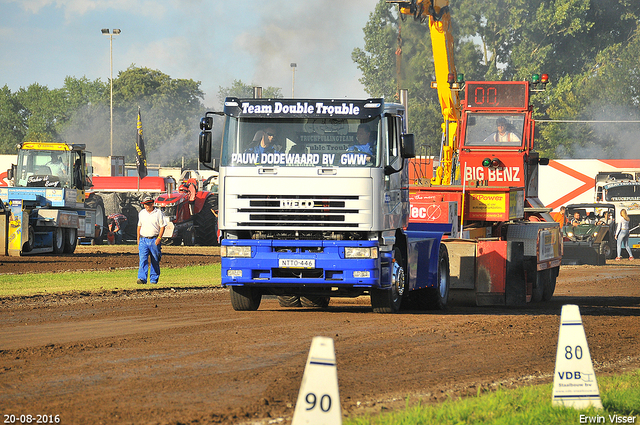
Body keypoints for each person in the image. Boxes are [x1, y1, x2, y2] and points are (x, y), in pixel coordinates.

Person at [137, 196, 167, 284]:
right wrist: (138, 239)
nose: (146, 206)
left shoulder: (158, 213)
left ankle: (154, 279)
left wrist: (159, 238)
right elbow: (139, 226)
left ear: (152, 204)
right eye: (145, 205)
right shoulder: (142, 213)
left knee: (155, 259)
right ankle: (142, 278)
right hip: (143, 239)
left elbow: (162, 226)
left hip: (154, 239)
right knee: (143, 259)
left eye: (147, 204)